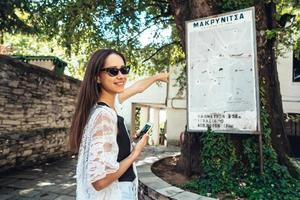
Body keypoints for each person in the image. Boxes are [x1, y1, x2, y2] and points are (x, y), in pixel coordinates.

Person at [69, 48, 169, 200]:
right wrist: (135, 153)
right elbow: (99, 181)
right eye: (113, 71)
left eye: (124, 69)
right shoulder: (104, 115)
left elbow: (138, 87)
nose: (121, 76)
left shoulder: (111, 103)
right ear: (97, 77)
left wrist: (157, 77)